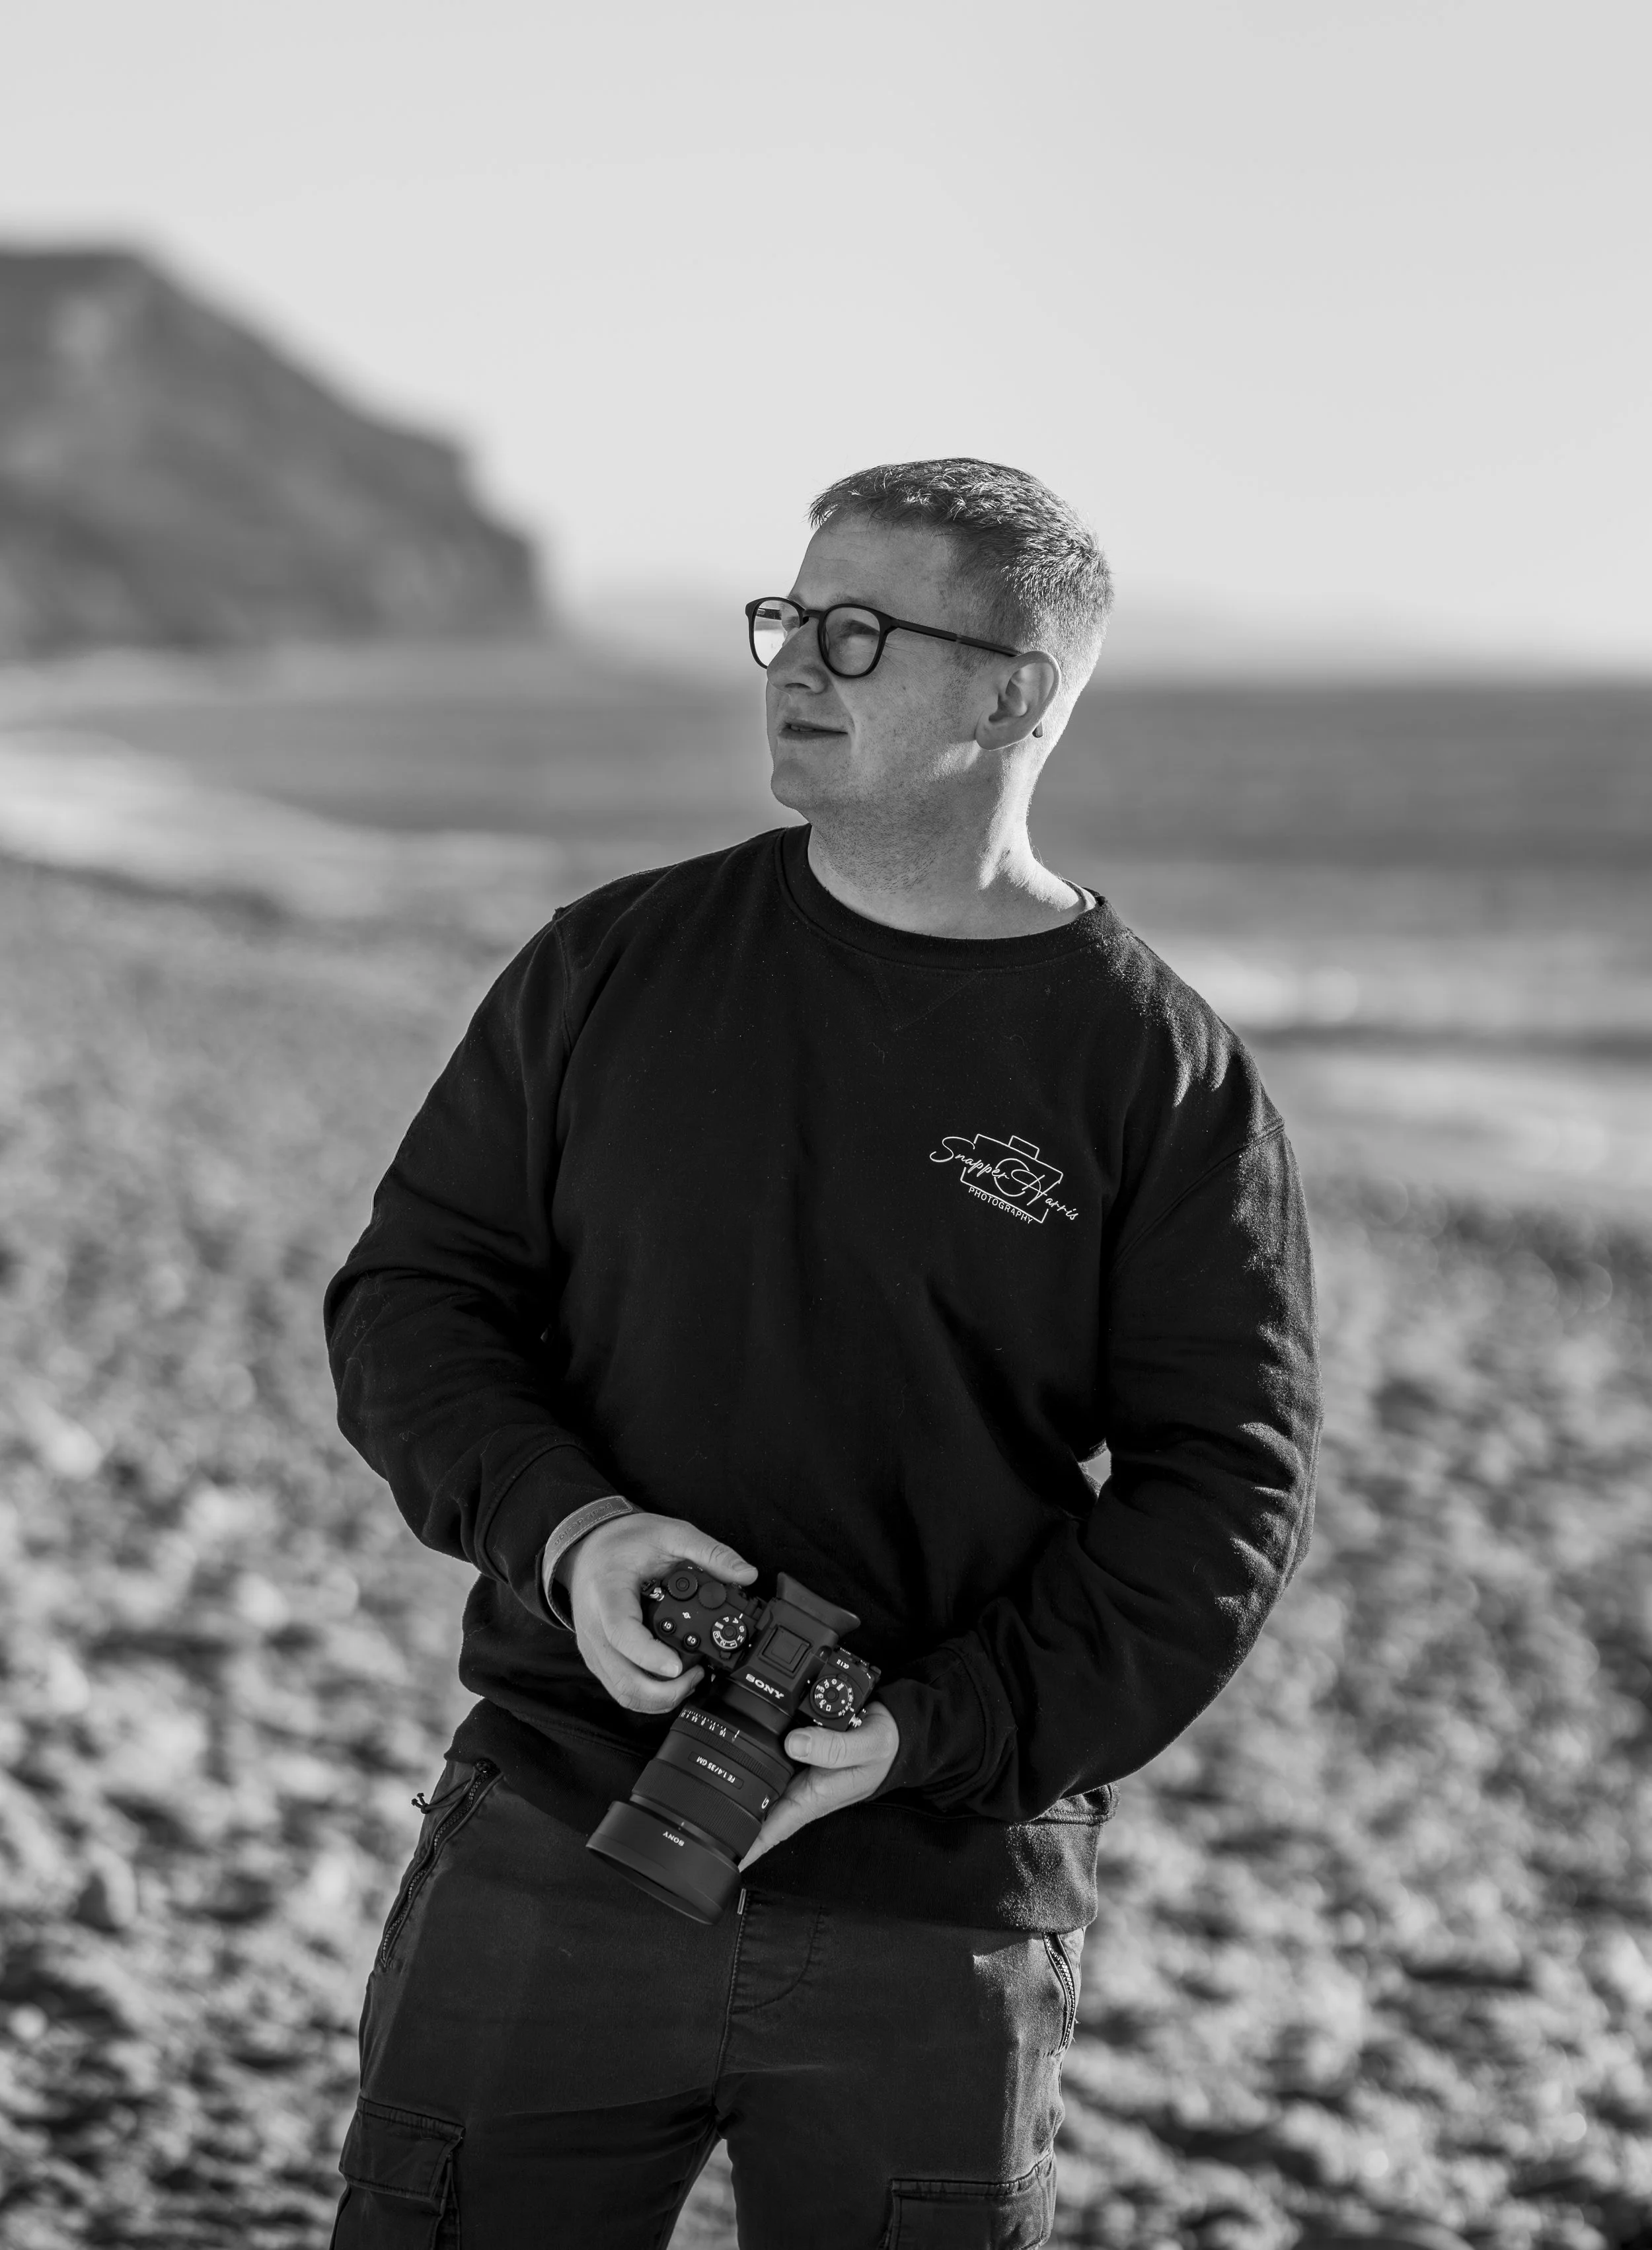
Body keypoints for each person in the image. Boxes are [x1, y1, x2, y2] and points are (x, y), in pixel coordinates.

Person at [322, 458, 1322, 2249]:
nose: (795, 660)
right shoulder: (613, 962)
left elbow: (1222, 1494)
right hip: (559, 1831)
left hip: (937, 1902)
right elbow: (412, 1298)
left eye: (859, 630)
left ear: (1011, 686)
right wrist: (575, 1532)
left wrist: (937, 1730)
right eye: (787, 616)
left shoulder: (1155, 1073)